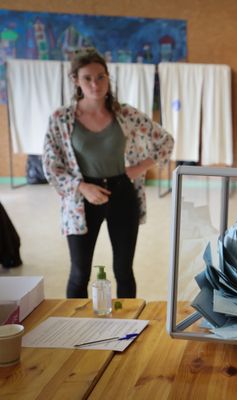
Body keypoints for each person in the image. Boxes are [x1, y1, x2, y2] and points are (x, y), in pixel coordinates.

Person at [43, 48, 174, 299]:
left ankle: (128, 328)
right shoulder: (61, 118)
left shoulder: (125, 114)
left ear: (108, 78)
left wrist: (137, 168)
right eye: (87, 78)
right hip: (82, 199)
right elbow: (51, 165)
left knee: (124, 271)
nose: (95, 84)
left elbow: (165, 141)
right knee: (80, 272)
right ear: (76, 81)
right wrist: (82, 187)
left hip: (122, 193)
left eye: (101, 77)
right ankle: (75, 330)